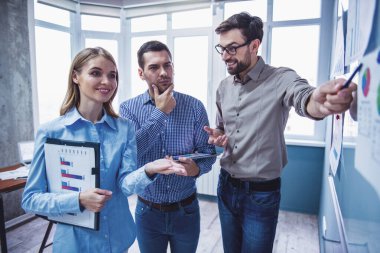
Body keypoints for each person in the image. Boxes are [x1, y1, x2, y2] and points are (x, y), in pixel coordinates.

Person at [203, 12, 357, 253]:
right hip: (226, 187)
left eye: (232, 48)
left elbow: (304, 97)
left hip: (261, 194)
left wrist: (319, 102)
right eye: (221, 49)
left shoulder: (280, 78)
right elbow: (222, 127)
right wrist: (218, 135)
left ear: (254, 45)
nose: (225, 56)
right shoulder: (223, 88)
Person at [21, 47, 187, 253]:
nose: (107, 82)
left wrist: (149, 169)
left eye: (112, 75)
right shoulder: (50, 132)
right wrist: (78, 200)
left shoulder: (124, 128)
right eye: (95, 73)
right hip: (76, 243)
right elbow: (31, 200)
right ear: (75, 76)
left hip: (117, 239)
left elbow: (124, 185)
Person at [119, 40, 216, 253]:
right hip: (147, 212)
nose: (163, 72)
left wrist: (196, 169)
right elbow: (132, 155)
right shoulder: (128, 110)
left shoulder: (194, 106)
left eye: (168, 65)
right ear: (141, 73)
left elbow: (208, 153)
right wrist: (160, 113)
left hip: (186, 211)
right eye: (154, 67)